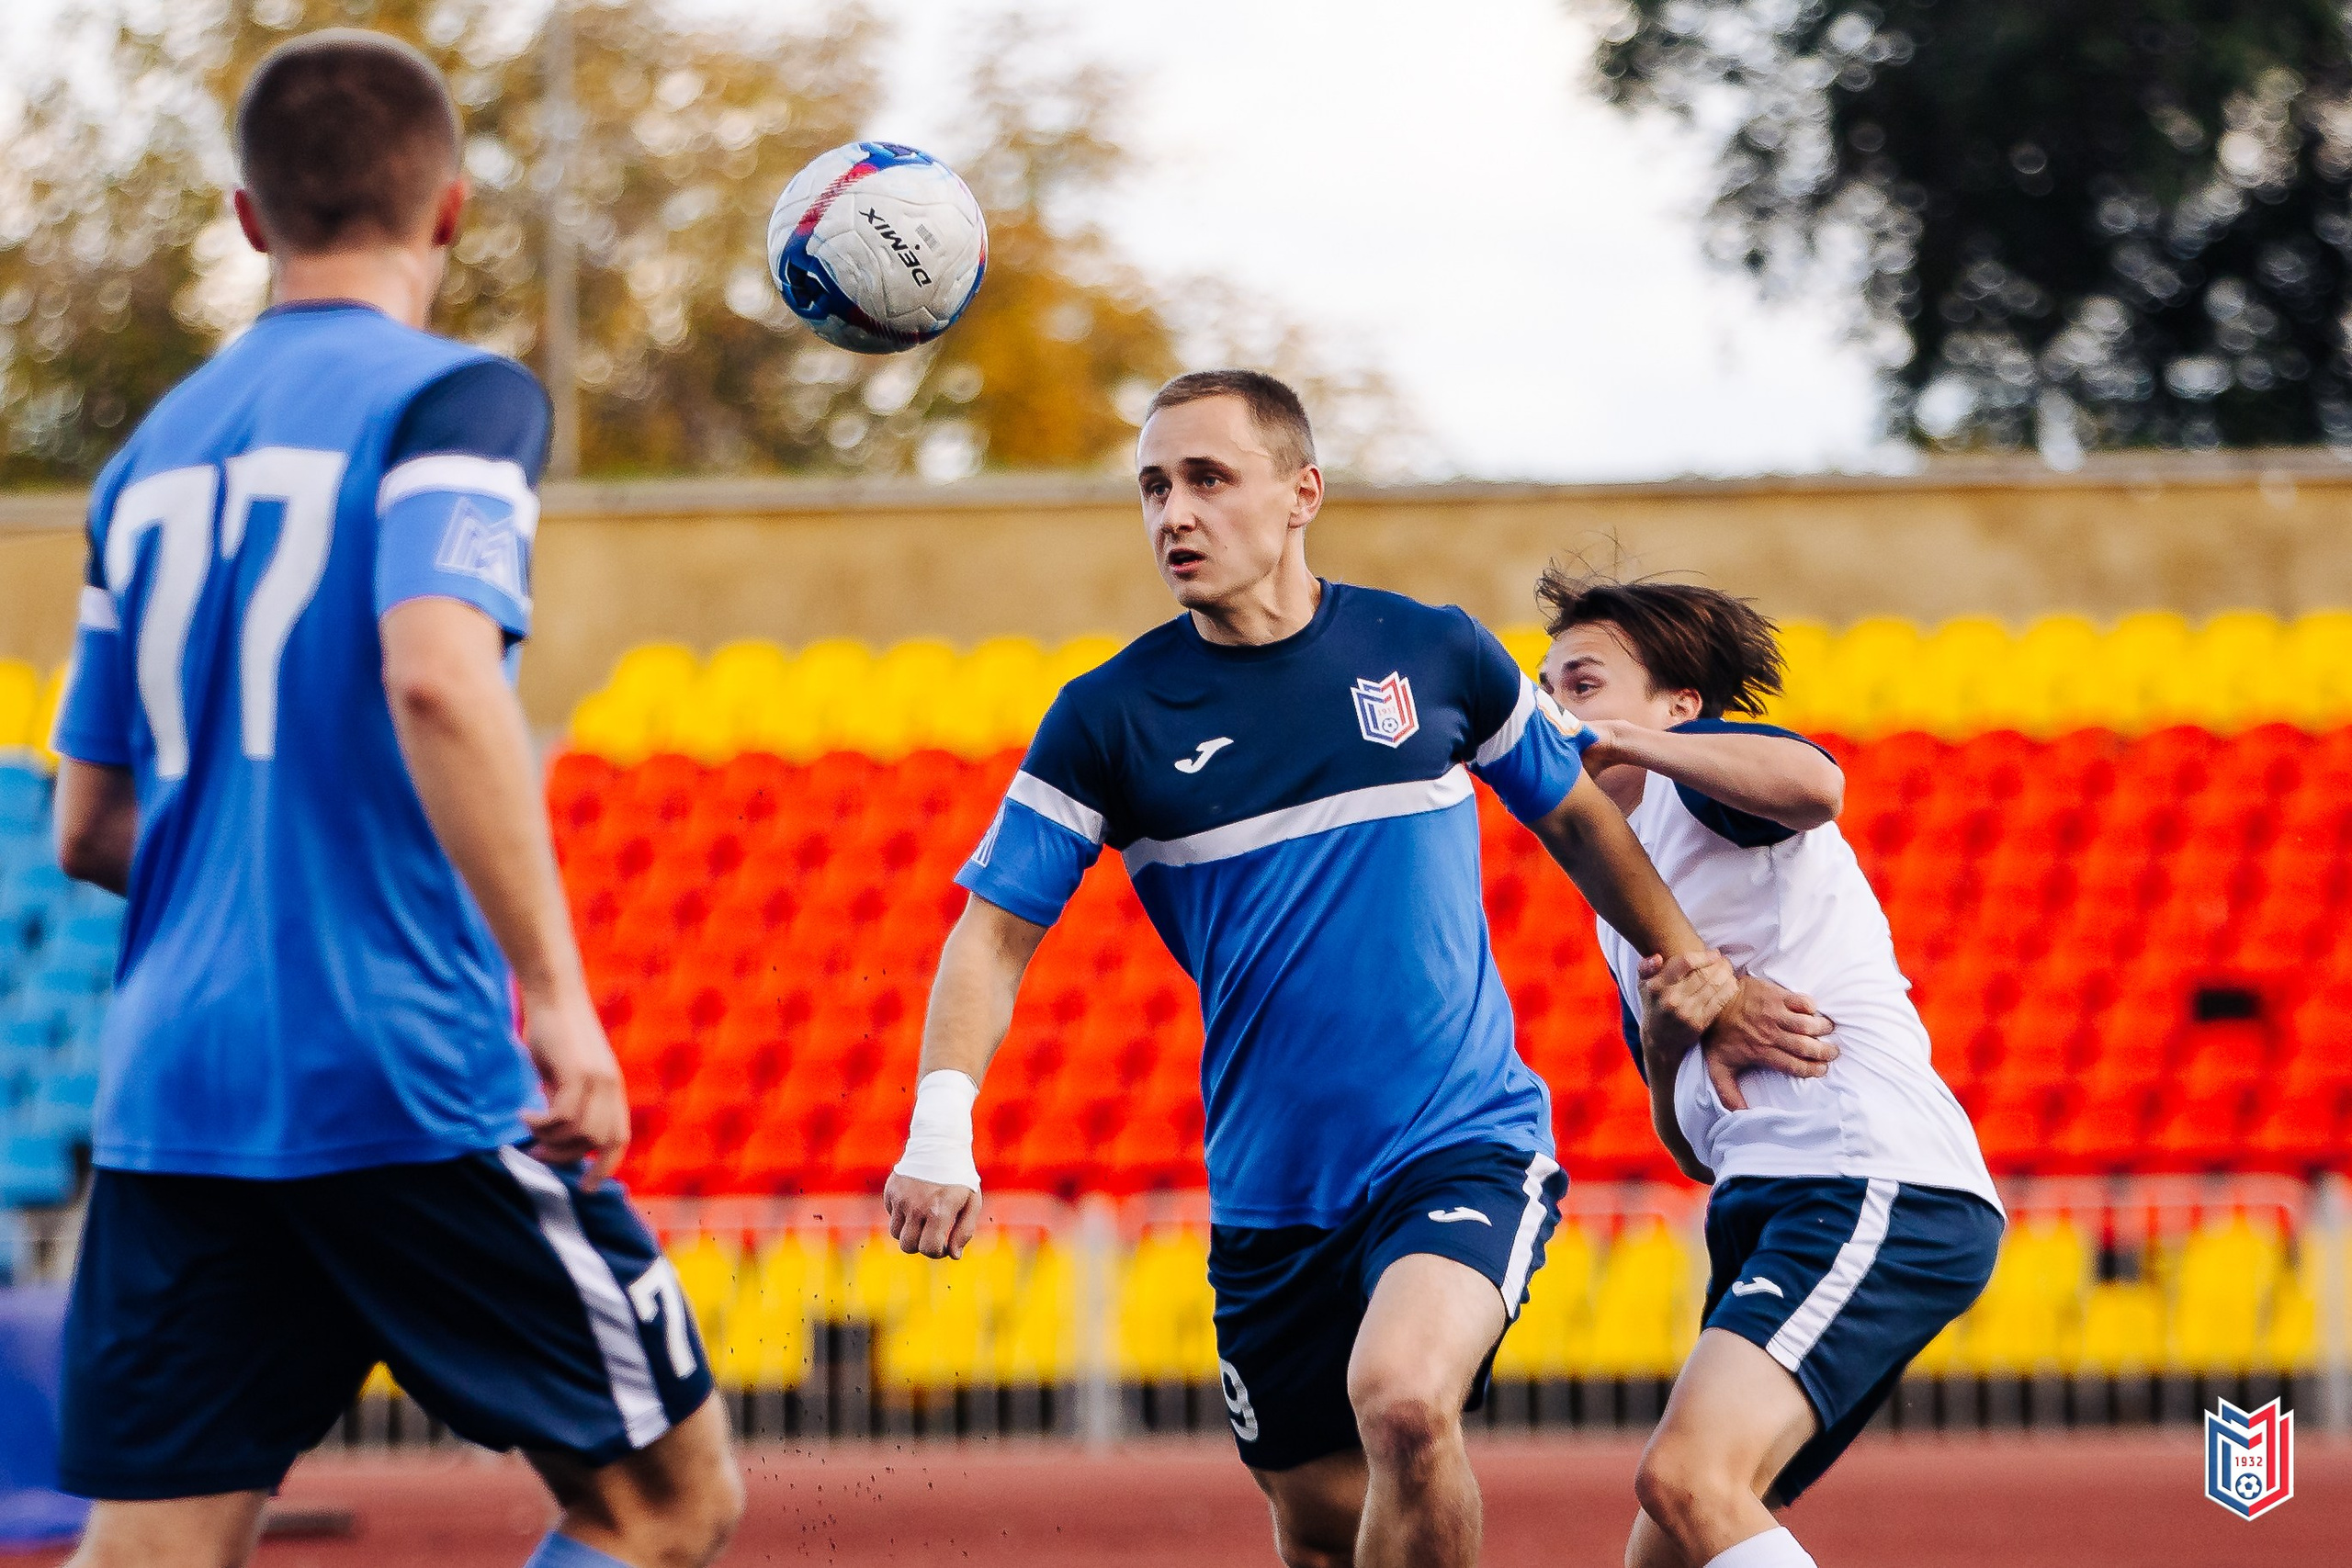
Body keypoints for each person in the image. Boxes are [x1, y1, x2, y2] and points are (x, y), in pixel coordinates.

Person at [881, 369, 1836, 1568]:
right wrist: (940, 1123)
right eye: (1154, 487)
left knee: (1403, 1400)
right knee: (1325, 1527)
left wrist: (1693, 964)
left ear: (1301, 494)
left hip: (1462, 1139)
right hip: (1271, 1199)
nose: (1174, 512)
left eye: (1209, 479)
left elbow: (1583, 819)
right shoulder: (1107, 715)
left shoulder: (1431, 649)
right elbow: (995, 930)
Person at [46, 31, 741, 1568]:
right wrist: (555, 997)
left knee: (153, 1548)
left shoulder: (144, 463)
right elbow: (437, 672)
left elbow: (85, 827)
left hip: (177, 1091)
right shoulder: (458, 399)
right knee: (665, 1500)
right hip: (395, 1060)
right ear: (449, 211)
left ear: (248, 218)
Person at [1533, 571, 2006, 1568]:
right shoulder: (1615, 888)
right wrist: (1667, 1051)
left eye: (1581, 683)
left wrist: (1620, 743)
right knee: (1670, 1540)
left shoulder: (1697, 789)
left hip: (1866, 1175)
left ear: (1680, 709)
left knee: (1687, 1482)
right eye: (1547, 686)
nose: (1555, 707)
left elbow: (1816, 786)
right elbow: (1690, 1143)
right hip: (1767, 1196)